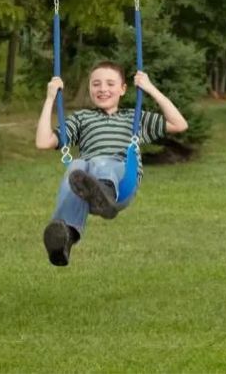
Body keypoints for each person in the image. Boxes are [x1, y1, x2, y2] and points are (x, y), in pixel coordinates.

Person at [34, 61, 189, 266]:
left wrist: (150, 88)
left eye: (110, 83)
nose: (103, 89)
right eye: (96, 84)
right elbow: (43, 142)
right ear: (89, 88)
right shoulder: (82, 118)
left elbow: (179, 124)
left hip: (121, 182)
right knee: (76, 167)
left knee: (99, 162)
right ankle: (65, 236)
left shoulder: (133, 118)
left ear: (123, 89)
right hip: (88, 187)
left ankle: (105, 193)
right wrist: (50, 98)